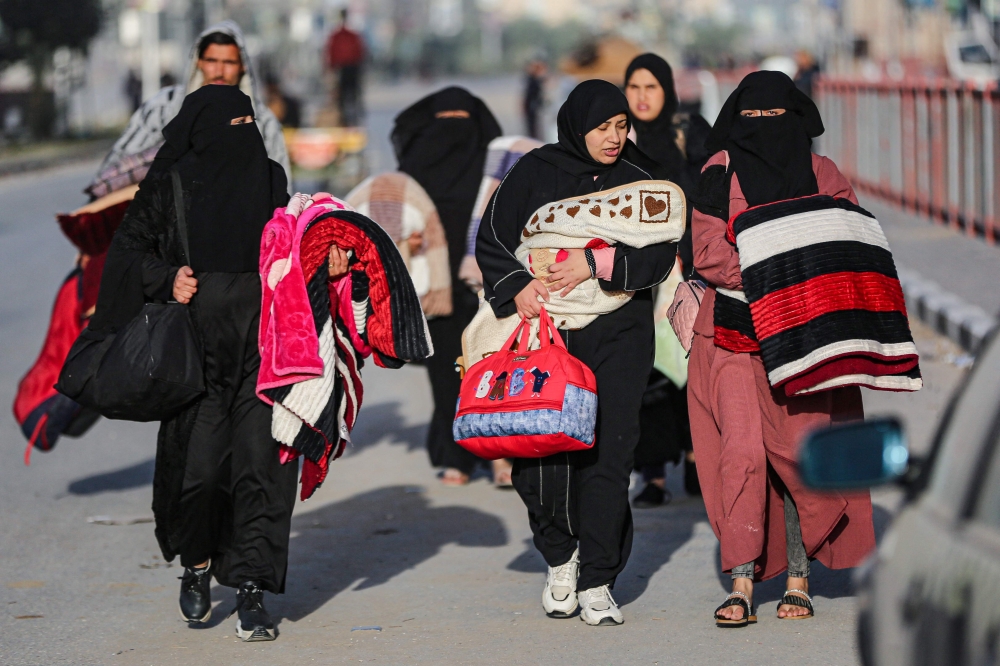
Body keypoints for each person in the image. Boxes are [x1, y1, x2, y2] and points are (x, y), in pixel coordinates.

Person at [90, 85, 296, 641]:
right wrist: (165, 278)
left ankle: (252, 589)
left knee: (262, 469)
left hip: (264, 348)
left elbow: (289, 244)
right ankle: (198, 564)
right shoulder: (171, 182)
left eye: (250, 120)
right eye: (234, 121)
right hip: (198, 353)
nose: (245, 131)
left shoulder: (272, 177)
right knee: (201, 473)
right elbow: (129, 250)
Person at [476, 80, 676, 625]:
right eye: (602, 127)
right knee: (540, 451)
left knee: (611, 453)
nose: (614, 137)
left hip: (620, 332)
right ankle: (561, 556)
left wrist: (596, 264)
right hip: (548, 333)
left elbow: (659, 254)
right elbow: (491, 236)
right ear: (575, 126)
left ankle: (598, 579)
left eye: (620, 126)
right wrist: (516, 284)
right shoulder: (536, 171)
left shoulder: (639, 182)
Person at [687, 71, 876, 627]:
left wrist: (770, 259)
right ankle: (741, 581)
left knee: (797, 453)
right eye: (754, 117)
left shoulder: (824, 174)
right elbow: (708, 254)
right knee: (742, 451)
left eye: (777, 117)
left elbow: (848, 238)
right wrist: (788, 263)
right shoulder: (718, 173)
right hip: (732, 332)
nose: (766, 128)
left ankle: (800, 578)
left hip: (806, 337)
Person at [392, 87, 502, 486]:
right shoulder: (415, 168)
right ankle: (455, 454)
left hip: (484, 282)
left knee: (493, 368)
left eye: (462, 117)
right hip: (435, 284)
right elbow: (395, 218)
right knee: (445, 373)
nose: (454, 129)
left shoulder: (492, 169)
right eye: (446, 118)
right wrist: (409, 238)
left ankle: (499, 452)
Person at [623, 53, 712, 507]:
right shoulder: (618, 138)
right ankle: (653, 473)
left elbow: (714, 191)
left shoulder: (689, 132)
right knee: (648, 368)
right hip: (637, 273)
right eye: (633, 88)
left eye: (650, 87)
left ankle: (699, 459)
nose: (640, 97)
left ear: (666, 90)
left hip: (687, 266)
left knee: (693, 363)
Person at [88, 21, 290, 198]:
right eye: (212, 61)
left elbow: (280, 187)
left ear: (242, 66)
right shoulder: (164, 107)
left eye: (228, 62)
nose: (219, 71)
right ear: (199, 62)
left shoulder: (261, 121)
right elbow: (121, 165)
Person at [325, 8, 366, 126]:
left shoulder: (337, 35)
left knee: (343, 95)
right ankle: (353, 114)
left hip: (342, 69)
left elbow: (330, 53)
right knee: (353, 93)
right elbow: (360, 52)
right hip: (351, 68)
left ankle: (344, 116)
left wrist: (330, 69)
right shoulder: (352, 35)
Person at [523, 60, 547, 140]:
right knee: (532, 128)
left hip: (534, 106)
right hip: (531, 106)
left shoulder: (535, 80)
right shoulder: (531, 80)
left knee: (535, 127)